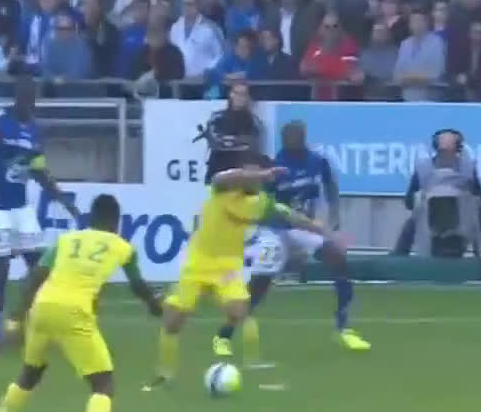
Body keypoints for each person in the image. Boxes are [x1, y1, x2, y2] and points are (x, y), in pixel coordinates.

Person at [0, 194, 162, 412]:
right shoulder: (122, 247)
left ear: (91, 218)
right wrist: (154, 305)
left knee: (29, 374)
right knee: (103, 383)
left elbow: (36, 277)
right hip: (74, 312)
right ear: (116, 221)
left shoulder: (66, 241)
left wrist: (15, 321)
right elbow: (137, 285)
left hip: (42, 307)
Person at [149, 162, 339, 388]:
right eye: (249, 174)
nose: (252, 178)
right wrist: (262, 174)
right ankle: (164, 372)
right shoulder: (221, 189)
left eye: (255, 175)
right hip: (197, 263)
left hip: (227, 267)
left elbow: (292, 217)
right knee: (173, 321)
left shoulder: (260, 204)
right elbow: (222, 177)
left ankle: (253, 362)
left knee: (240, 311)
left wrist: (324, 232)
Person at [213, 120, 370, 359]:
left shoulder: (317, 162)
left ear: (303, 138)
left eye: (296, 138)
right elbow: (267, 207)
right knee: (259, 286)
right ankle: (224, 335)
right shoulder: (275, 167)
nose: (292, 142)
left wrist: (334, 215)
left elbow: (330, 185)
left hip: (302, 226)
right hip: (274, 228)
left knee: (337, 259)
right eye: (289, 139)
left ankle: (344, 328)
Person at [0, 75, 80, 340]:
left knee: (39, 268)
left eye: (33, 99)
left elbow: (38, 170)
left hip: (21, 208)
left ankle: (33, 320)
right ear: (16, 98)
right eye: (26, 98)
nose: (30, 104)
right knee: (0, 271)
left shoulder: (35, 130)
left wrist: (62, 199)